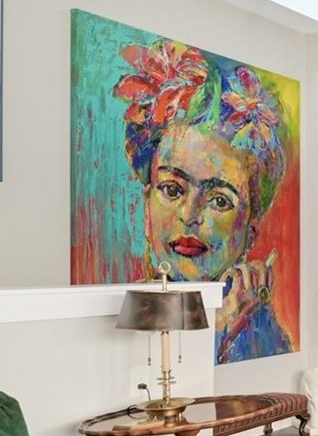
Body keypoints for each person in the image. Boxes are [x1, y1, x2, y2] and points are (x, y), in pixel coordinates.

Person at [115, 37, 292, 361]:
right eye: (172, 190)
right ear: (147, 207)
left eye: (219, 200)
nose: (189, 215)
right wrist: (219, 327)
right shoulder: (137, 310)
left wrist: (232, 323)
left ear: (250, 231)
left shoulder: (259, 326)